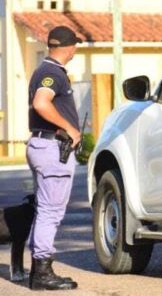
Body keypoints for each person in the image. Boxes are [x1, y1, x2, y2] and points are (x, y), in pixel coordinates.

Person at [26, 26, 82, 291]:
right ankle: (42, 273)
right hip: (52, 148)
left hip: (43, 145)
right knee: (51, 212)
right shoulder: (51, 73)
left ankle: (39, 270)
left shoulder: (44, 69)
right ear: (70, 48)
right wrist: (70, 128)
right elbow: (41, 103)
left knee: (45, 210)